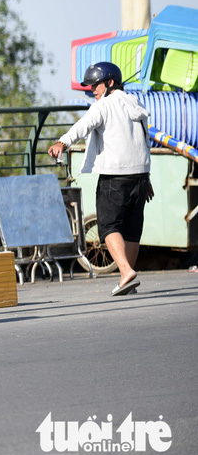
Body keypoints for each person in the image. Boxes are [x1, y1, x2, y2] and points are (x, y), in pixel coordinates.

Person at [49, 62, 153, 297]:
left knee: (108, 226)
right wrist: (147, 178)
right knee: (132, 229)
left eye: (95, 85)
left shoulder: (104, 105)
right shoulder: (135, 104)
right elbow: (144, 142)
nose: (92, 90)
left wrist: (62, 143)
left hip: (115, 176)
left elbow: (83, 126)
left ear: (110, 83)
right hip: (140, 175)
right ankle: (128, 277)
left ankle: (126, 272)